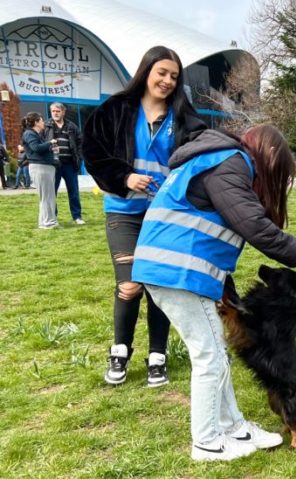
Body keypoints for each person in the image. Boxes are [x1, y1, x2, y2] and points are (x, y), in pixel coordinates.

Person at [132, 125, 296, 461]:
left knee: (216, 354)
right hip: (175, 270)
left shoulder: (220, 160)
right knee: (210, 357)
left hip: (182, 270)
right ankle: (206, 441)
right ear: (267, 157)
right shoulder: (231, 163)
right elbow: (253, 225)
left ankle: (234, 427)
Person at [83, 46, 207, 387]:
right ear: (146, 71)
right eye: (162, 73)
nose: (167, 81)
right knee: (130, 285)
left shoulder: (183, 115)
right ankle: (120, 351)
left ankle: (158, 356)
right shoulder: (116, 109)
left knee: (157, 286)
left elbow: (203, 150)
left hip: (164, 215)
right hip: (123, 212)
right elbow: (93, 152)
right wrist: (125, 178)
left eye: (174, 76)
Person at [45, 102, 85, 224]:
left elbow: (80, 143)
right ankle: (53, 217)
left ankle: (77, 217)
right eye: (53, 111)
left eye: (57, 111)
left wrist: (80, 157)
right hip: (53, 165)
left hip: (69, 164)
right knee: (52, 192)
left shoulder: (71, 126)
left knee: (73, 191)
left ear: (63, 111)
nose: (55, 113)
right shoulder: (46, 126)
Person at [22, 112, 60, 229]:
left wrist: (51, 148)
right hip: (40, 168)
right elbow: (36, 148)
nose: (43, 123)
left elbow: (38, 148)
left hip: (45, 167)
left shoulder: (36, 134)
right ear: (36, 122)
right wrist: (50, 142)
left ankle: (44, 222)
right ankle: (49, 223)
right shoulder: (29, 134)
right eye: (42, 121)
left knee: (47, 196)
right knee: (47, 197)